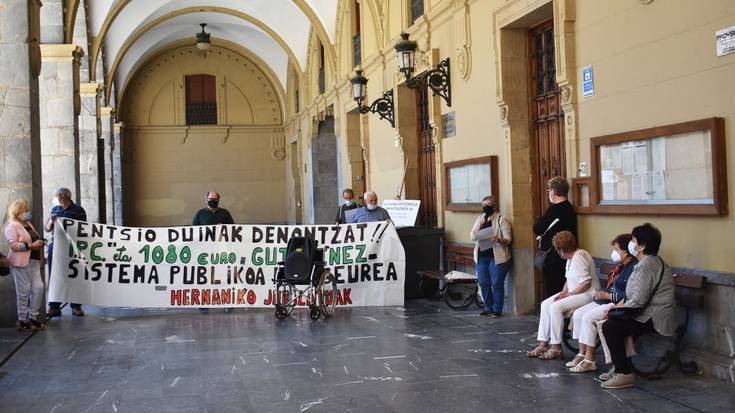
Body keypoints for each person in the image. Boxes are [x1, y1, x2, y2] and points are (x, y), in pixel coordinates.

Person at [600, 223, 676, 389]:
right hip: (647, 313)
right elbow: (632, 296)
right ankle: (619, 367)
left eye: (633, 240)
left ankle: (623, 373)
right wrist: (616, 309)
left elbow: (638, 301)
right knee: (611, 323)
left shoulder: (647, 265)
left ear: (642, 246)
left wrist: (616, 311)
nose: (631, 243)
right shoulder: (646, 262)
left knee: (610, 327)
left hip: (655, 317)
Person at [567, 234, 637, 373]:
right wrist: (602, 295)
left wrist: (608, 295)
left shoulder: (633, 267)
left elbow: (629, 294)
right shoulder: (622, 265)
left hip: (617, 303)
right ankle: (582, 353)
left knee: (588, 317)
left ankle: (590, 359)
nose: (614, 253)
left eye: (617, 250)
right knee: (579, 313)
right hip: (606, 299)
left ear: (626, 251)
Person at [527, 231, 600, 360]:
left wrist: (570, 294)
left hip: (588, 294)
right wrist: (563, 293)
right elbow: (568, 279)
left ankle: (556, 347)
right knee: (546, 304)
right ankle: (543, 343)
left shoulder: (579, 257)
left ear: (561, 249)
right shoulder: (570, 258)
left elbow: (586, 284)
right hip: (575, 292)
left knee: (555, 307)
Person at [44, 188, 87, 317]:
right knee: (54, 275)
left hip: (72, 247)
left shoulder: (78, 210)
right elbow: (47, 228)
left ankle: (76, 306)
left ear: (63, 196)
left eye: (57, 195)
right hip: (56, 247)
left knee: (74, 275)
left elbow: (84, 228)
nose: (55, 197)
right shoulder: (54, 209)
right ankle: (54, 306)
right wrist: (51, 220)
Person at [4, 199, 46, 330]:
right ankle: (22, 319)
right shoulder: (12, 226)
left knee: (38, 288)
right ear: (18, 212)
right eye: (25, 210)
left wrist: (40, 241)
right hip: (21, 262)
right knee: (23, 291)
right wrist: (31, 245)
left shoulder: (28, 224)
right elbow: (14, 245)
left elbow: (33, 238)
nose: (28, 212)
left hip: (34, 261)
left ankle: (33, 316)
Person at [533, 177, 577, 298]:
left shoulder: (554, 209)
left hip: (553, 255)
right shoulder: (569, 207)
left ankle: (554, 315)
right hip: (569, 253)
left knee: (553, 291)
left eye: (549, 190)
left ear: (553, 192)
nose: (549, 193)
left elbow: (537, 228)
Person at [469, 195, 512, 317]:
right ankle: (487, 307)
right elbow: (472, 237)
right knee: (483, 282)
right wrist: (480, 225)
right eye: (484, 205)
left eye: (488, 205)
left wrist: (498, 239)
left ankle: (497, 309)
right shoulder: (480, 219)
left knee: (496, 283)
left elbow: (508, 240)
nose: (486, 208)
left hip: (496, 257)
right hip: (481, 257)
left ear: (494, 206)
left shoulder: (501, 220)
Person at [193, 191, 235, 314]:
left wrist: (224, 229)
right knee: (205, 279)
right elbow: (193, 232)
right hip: (205, 253)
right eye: (211, 198)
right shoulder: (200, 214)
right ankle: (204, 304)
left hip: (221, 253)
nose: (213, 201)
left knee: (223, 278)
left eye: (215, 199)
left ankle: (227, 303)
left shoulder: (225, 214)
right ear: (206, 199)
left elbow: (233, 230)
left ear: (219, 200)